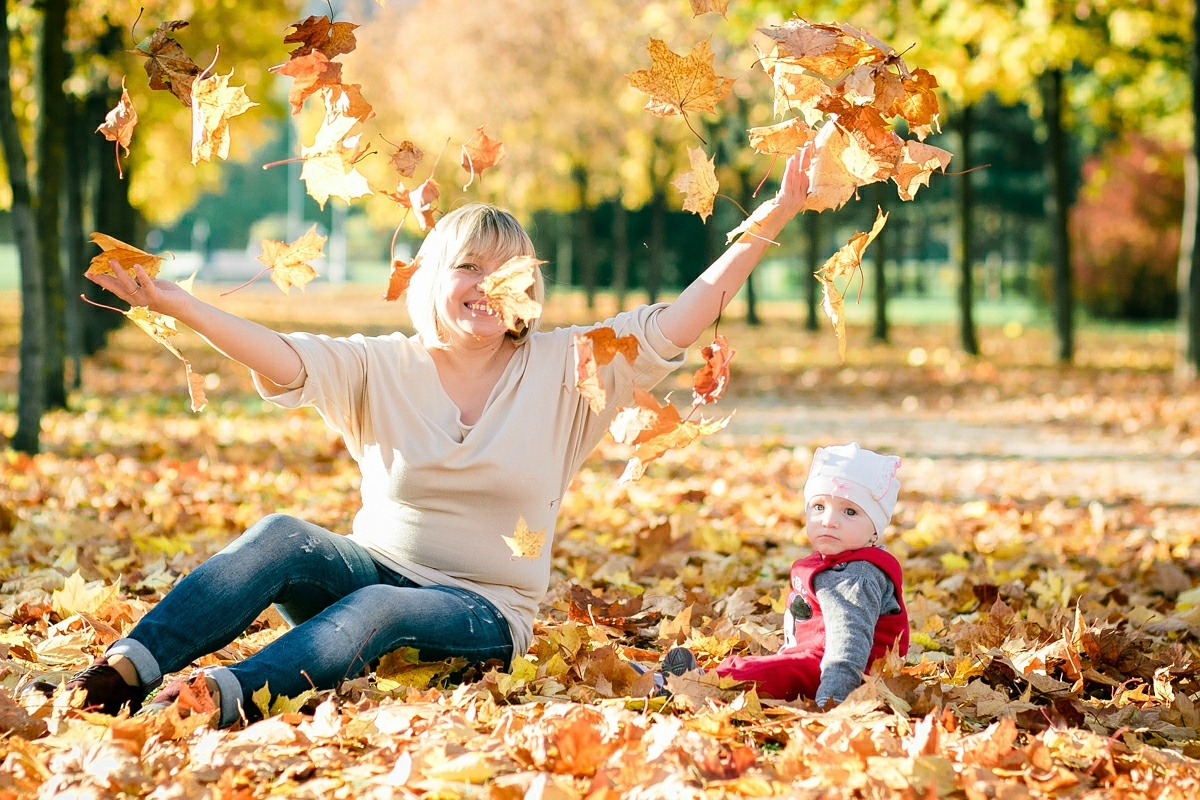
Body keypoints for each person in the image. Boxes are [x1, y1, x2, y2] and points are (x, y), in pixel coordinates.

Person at [40, 151, 813, 727]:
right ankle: (119, 677)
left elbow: (683, 314)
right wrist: (187, 308)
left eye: (510, 272)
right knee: (282, 534)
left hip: (483, 612)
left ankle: (222, 698)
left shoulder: (571, 366)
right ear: (433, 277)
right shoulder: (384, 365)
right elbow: (286, 354)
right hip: (373, 570)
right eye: (470, 267)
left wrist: (770, 220)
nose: (488, 286)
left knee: (381, 607)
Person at [665, 442, 909, 706]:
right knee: (758, 666)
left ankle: (696, 686)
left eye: (850, 512)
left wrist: (832, 701)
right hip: (813, 662)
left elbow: (848, 646)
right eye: (818, 507)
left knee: (765, 674)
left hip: (842, 677)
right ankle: (698, 679)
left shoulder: (854, 577)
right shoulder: (832, 563)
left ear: (875, 531)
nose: (829, 520)